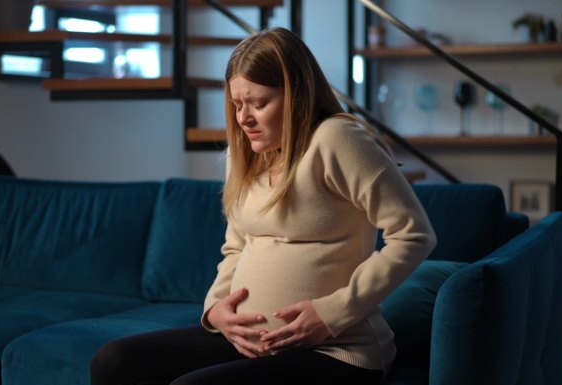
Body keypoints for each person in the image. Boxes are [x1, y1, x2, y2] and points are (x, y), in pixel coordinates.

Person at [90, 27, 436, 385]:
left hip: (336, 349)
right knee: (113, 362)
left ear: (298, 95)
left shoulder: (336, 140)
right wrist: (216, 308)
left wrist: (330, 313)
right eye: (237, 104)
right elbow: (237, 246)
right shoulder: (245, 155)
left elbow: (413, 235)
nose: (244, 119)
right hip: (250, 341)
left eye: (259, 103)